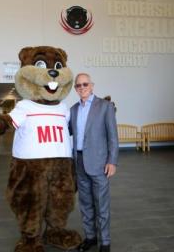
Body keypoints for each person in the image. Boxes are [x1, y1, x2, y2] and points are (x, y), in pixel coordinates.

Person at [69, 73, 119, 252]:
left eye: (85, 84)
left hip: (99, 164)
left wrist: (112, 161)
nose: (82, 87)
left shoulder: (105, 107)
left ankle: (105, 242)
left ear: (92, 85)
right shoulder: (73, 109)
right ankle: (90, 237)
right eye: (78, 85)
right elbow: (66, 132)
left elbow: (113, 137)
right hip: (80, 162)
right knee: (85, 203)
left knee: (101, 204)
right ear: (75, 89)